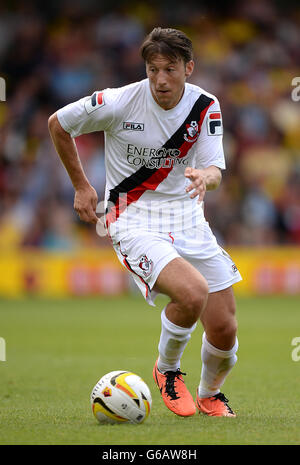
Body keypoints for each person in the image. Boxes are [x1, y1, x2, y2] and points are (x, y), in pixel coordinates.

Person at [48, 27, 242, 418]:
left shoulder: (206, 106)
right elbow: (58, 123)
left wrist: (205, 177)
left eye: (170, 69)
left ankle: (210, 394)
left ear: (189, 68)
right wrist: (83, 187)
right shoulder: (119, 101)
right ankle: (167, 370)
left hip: (189, 218)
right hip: (132, 218)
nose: (160, 79)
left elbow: (215, 170)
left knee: (225, 329)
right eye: (153, 69)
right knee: (191, 293)